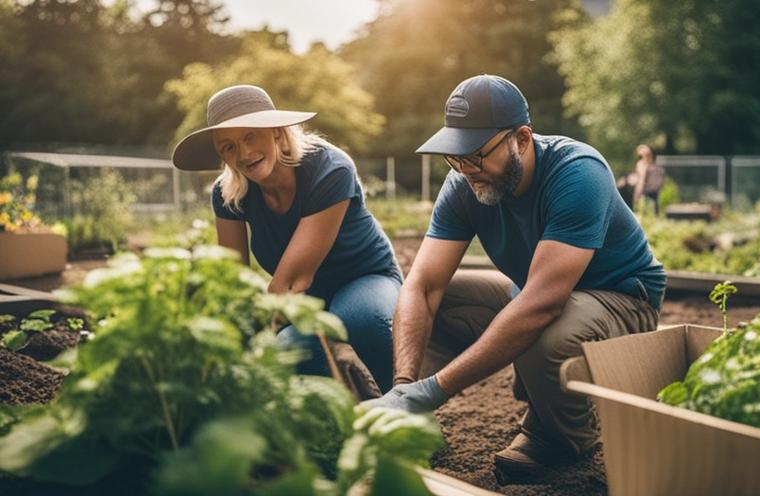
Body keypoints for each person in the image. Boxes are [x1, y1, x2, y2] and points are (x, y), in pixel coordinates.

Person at [364, 75, 666, 478]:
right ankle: (413, 418)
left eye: (476, 155)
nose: (465, 169)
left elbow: (541, 304)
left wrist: (433, 390)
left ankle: (564, 437)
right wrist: (404, 387)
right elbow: (424, 285)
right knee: (430, 299)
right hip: (542, 294)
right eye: (455, 156)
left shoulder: (578, 173)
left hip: (623, 299)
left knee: (546, 329)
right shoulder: (463, 184)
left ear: (521, 138)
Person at [172, 84, 402, 392]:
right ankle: (337, 422)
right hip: (303, 302)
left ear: (277, 132)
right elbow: (232, 279)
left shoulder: (330, 169)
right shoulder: (227, 194)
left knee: (360, 318)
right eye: (228, 147)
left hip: (365, 278)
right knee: (287, 352)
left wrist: (254, 350)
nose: (243, 153)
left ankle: (402, 408)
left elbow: (293, 282)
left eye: (250, 136)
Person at [632, 143, 665, 215]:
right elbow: (641, 181)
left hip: (650, 193)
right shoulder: (642, 165)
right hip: (645, 193)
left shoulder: (652, 167)